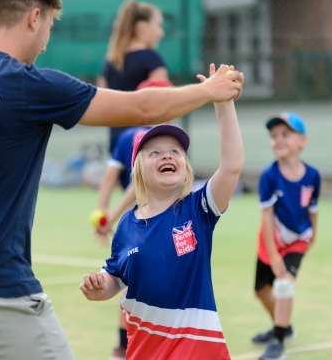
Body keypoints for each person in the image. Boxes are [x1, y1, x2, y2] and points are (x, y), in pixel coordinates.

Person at [0, 0, 244, 358]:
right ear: (34, 17)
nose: (45, 43)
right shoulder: (26, 85)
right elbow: (143, 108)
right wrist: (210, 90)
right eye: (50, 29)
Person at [80, 64, 243, 360]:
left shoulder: (199, 210)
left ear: (185, 168)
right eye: (154, 152)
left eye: (175, 151)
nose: (167, 155)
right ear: (138, 172)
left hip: (199, 352)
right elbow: (115, 277)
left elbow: (232, 165)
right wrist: (98, 288)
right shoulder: (127, 226)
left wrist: (223, 103)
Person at [95, 77, 173, 360]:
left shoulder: (129, 136)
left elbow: (110, 179)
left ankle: (123, 346)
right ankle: (128, 345)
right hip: (149, 222)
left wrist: (104, 214)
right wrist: (110, 214)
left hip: (145, 221)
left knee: (134, 282)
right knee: (138, 282)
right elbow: (135, 184)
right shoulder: (162, 139)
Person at [251, 112, 321, 360]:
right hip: (271, 240)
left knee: (283, 284)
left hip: (297, 240)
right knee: (260, 290)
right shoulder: (269, 176)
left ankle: (277, 343)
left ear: (303, 140)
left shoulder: (313, 176)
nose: (278, 140)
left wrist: (310, 238)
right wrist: (272, 254)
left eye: (286, 134)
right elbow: (267, 217)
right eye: (273, 136)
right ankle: (284, 326)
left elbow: (313, 210)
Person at [97, 0, 169, 153]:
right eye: (158, 25)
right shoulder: (152, 60)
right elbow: (164, 107)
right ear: (143, 27)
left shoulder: (109, 62)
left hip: (116, 142)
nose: (161, 32)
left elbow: (101, 102)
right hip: (146, 143)